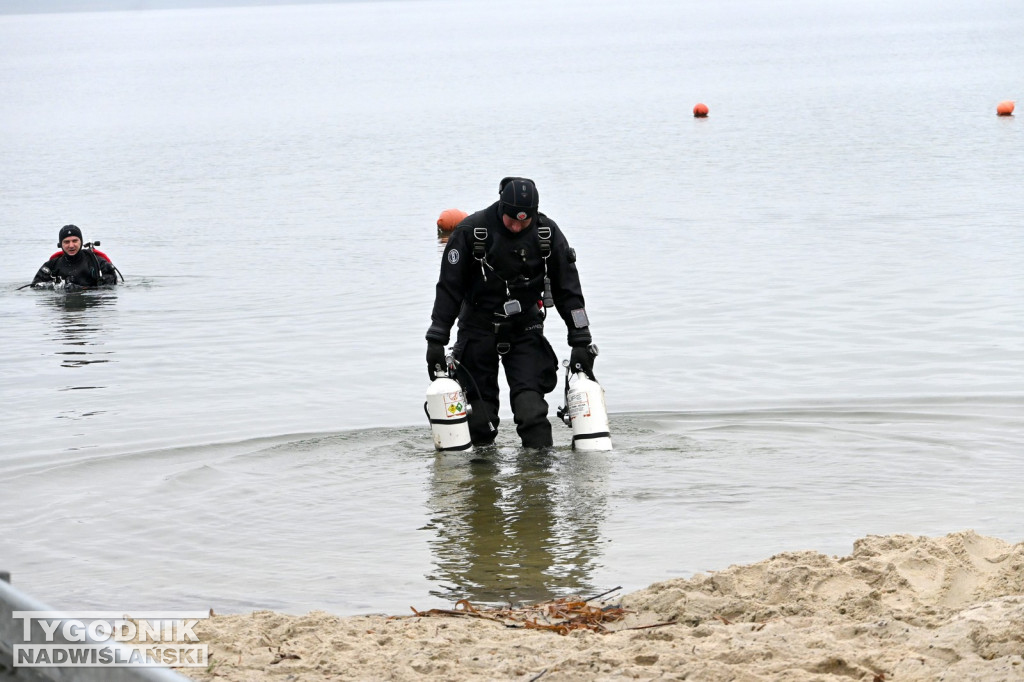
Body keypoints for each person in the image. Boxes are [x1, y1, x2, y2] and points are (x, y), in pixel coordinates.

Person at [425, 177, 599, 448]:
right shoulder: (471, 231)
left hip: (525, 329)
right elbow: (449, 290)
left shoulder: (547, 234)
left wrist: (581, 341)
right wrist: (436, 339)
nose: (517, 226)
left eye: (524, 221)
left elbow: (569, 292)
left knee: (532, 415)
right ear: (501, 207)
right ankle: (482, 480)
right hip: (477, 328)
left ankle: (538, 481)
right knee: (480, 422)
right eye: (511, 220)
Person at [32, 224, 118, 289]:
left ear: (81, 242)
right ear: (60, 244)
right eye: (66, 242)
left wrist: (81, 289)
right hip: (63, 306)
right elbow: (35, 286)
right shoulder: (52, 265)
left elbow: (111, 285)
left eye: (75, 241)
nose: (71, 245)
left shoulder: (96, 261)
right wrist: (53, 286)